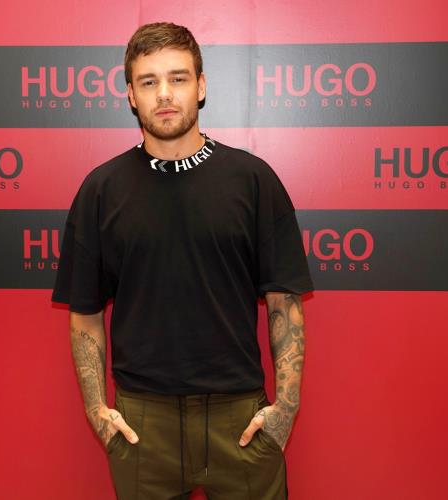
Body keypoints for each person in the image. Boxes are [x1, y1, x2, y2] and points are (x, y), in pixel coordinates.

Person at [51, 21, 314, 500]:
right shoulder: (101, 190)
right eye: (148, 81)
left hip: (240, 419)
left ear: (201, 86)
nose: (164, 94)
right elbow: (84, 313)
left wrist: (286, 409)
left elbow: (284, 303)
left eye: (178, 78)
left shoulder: (253, 180)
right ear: (131, 95)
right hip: (141, 426)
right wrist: (97, 411)